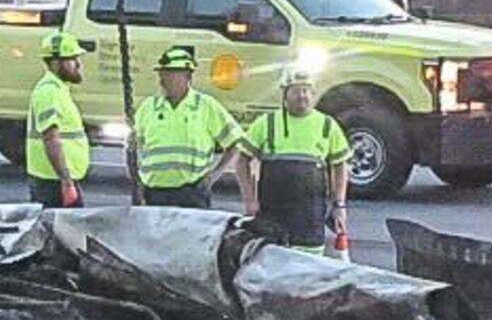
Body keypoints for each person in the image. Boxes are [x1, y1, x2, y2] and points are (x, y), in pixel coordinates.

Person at [239, 69, 354, 253]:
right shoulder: (266, 123)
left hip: (310, 214)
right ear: (285, 94)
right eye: (296, 91)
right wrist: (250, 200)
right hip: (272, 213)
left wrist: (339, 205)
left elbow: (340, 166)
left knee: (309, 267)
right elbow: (242, 160)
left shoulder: (327, 125)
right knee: (270, 263)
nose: (302, 96)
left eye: (306, 90)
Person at [131, 44, 242, 207]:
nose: (163, 80)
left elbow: (235, 143)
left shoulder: (205, 105)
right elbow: (134, 148)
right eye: (162, 74)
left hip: (191, 194)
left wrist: (214, 175)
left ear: (187, 76)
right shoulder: (148, 107)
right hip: (154, 193)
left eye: (170, 74)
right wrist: (137, 183)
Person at [24, 29, 92, 208]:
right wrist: (66, 181)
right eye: (72, 59)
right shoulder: (49, 92)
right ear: (55, 63)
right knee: (67, 233)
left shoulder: (57, 89)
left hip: (55, 179)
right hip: (54, 182)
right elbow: (51, 139)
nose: (78, 63)